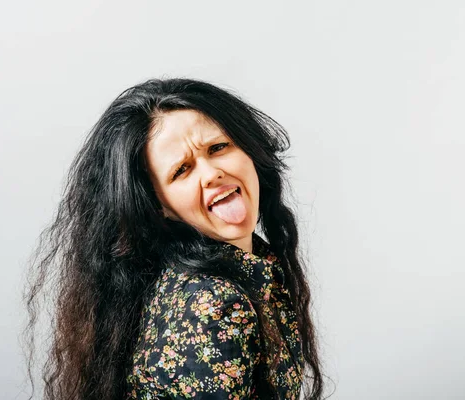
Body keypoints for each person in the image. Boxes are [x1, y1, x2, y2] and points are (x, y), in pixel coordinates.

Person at [24, 78, 324, 399]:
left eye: (218, 148)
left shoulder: (256, 264)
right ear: (160, 206)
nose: (211, 174)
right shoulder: (212, 304)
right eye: (182, 170)